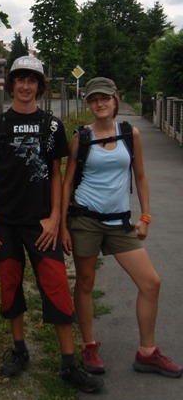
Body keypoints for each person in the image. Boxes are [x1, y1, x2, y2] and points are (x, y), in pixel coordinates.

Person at [0, 55, 103, 393]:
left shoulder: (51, 125)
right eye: (20, 79)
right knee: (10, 287)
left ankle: (69, 363)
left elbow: (57, 175)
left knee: (57, 288)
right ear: (11, 84)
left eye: (31, 80)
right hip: (4, 223)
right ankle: (19, 349)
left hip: (41, 225)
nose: (25, 85)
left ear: (39, 86)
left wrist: (55, 219)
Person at [61, 76, 183, 378]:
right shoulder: (81, 137)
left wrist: (145, 216)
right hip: (85, 220)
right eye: (93, 99)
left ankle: (147, 353)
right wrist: (62, 225)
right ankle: (89, 345)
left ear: (115, 100)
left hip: (119, 222)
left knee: (151, 282)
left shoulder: (130, 134)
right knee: (85, 282)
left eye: (104, 98)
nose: (99, 103)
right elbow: (67, 183)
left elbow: (140, 176)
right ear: (88, 104)